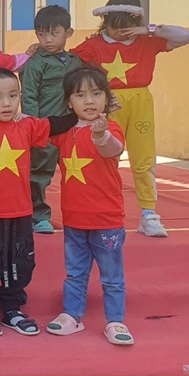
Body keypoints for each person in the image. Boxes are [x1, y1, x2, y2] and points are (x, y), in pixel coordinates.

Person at [72, 0, 189, 238]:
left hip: (140, 103)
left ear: (135, 22)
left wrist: (149, 30)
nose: (119, 32)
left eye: (125, 26)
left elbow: (186, 36)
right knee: (103, 157)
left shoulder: (147, 40)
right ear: (105, 22)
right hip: (109, 103)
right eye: (114, 26)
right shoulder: (93, 45)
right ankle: (99, 209)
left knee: (144, 158)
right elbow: (68, 64)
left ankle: (148, 212)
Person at [0, 68, 77, 337]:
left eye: (13, 96)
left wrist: (89, 111)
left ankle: (12, 308)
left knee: (21, 260)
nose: (6, 103)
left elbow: (56, 124)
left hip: (20, 211)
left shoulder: (27, 126)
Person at [45, 67, 133, 346]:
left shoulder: (111, 128)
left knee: (112, 277)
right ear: (69, 102)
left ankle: (115, 320)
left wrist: (100, 135)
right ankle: (72, 315)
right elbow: (35, 131)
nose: (89, 100)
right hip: (74, 220)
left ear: (107, 98)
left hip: (107, 220)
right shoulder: (65, 132)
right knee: (75, 273)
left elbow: (113, 149)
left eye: (96, 93)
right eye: (80, 95)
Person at [20, 5, 84, 234]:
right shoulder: (35, 63)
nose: (47, 39)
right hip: (46, 128)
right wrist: (34, 128)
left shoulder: (76, 61)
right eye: (41, 34)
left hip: (72, 127)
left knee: (77, 172)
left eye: (54, 33)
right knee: (39, 173)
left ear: (69, 33)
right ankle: (38, 216)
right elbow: (28, 96)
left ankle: (80, 214)